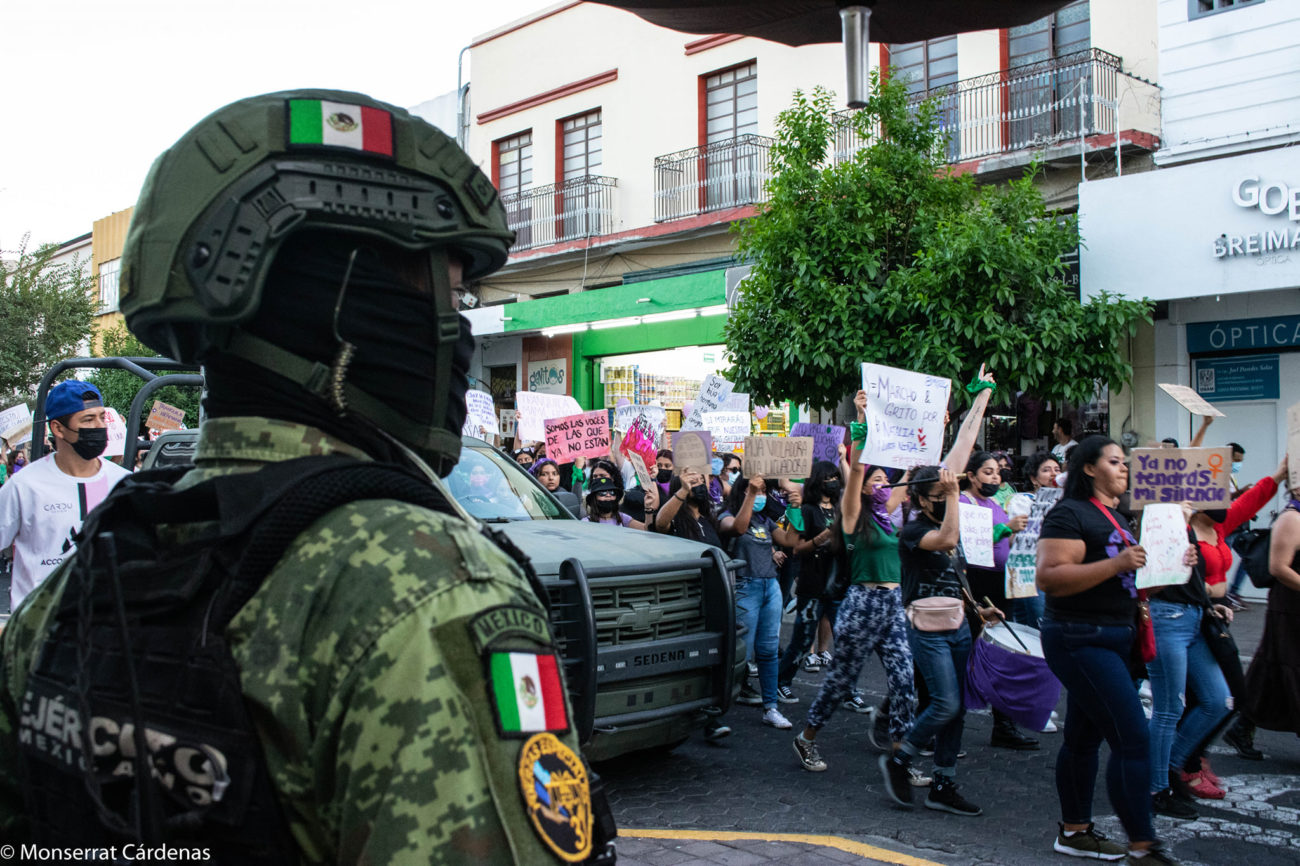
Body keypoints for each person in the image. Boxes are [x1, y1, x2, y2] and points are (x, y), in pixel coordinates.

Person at [0, 90, 611, 863]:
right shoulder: (432, 590)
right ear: (352, 307)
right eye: (450, 294)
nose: (458, 333)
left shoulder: (80, 588)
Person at [1036, 435, 1191, 864]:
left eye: (1125, 462)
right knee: (1132, 738)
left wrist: (1174, 566)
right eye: (1116, 461)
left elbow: (1133, 586)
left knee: (1084, 738)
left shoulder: (1119, 517)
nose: (1125, 468)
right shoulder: (1069, 514)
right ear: (1089, 468)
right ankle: (1143, 844)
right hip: (1079, 636)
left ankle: (1074, 831)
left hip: (1115, 636)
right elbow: (1049, 577)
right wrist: (1117, 563)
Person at [879, 364, 998, 817]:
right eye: (942, 492)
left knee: (959, 708)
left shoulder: (940, 508)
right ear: (925, 498)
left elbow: (955, 568)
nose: (951, 492)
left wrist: (980, 400)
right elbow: (947, 541)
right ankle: (901, 757)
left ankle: (944, 784)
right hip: (927, 627)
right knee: (945, 702)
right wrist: (952, 501)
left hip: (959, 622)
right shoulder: (911, 532)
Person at [794, 390, 915, 779]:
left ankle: (900, 759)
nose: (884, 485)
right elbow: (857, 472)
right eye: (877, 481)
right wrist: (861, 422)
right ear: (863, 488)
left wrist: (934, 433)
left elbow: (914, 472)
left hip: (893, 605)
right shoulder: (852, 515)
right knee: (842, 680)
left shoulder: (887, 515)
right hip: (862, 604)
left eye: (887, 481)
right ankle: (807, 736)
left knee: (904, 679)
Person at [1175, 458, 1286, 778]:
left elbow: (1250, 500)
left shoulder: (1218, 525)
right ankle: (1185, 764)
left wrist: (1277, 474)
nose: (1225, 499)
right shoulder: (1182, 529)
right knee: (1208, 698)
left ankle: (1193, 758)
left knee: (1230, 696)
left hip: (1216, 618)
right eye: (1217, 492)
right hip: (1192, 615)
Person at [0, 381, 131, 611]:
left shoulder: (124, 483)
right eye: (88, 420)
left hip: (106, 630)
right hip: (39, 633)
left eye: (101, 417)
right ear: (58, 429)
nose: (100, 426)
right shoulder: (25, 485)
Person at [959, 450, 1038, 751]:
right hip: (975, 585)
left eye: (997, 473)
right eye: (988, 472)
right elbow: (967, 542)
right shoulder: (963, 503)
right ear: (971, 475)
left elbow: (1007, 542)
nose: (994, 477)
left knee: (1003, 655)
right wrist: (1006, 529)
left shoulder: (995, 504)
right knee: (968, 655)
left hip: (1003, 583)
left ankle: (1003, 726)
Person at [720, 472, 793, 730]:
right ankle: (718, 709)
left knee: (769, 649)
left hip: (769, 586)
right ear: (743, 491)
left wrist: (795, 508)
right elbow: (738, 528)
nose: (762, 497)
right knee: (742, 651)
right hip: (746, 586)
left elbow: (789, 540)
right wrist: (751, 494)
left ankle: (770, 707)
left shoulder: (765, 520)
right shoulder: (726, 515)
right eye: (757, 491)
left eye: (763, 492)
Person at [1239, 475, 1300, 742]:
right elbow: (1279, 567)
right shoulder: (1292, 518)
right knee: (1289, 666)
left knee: (1272, 667)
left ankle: (1242, 725)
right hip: (1291, 606)